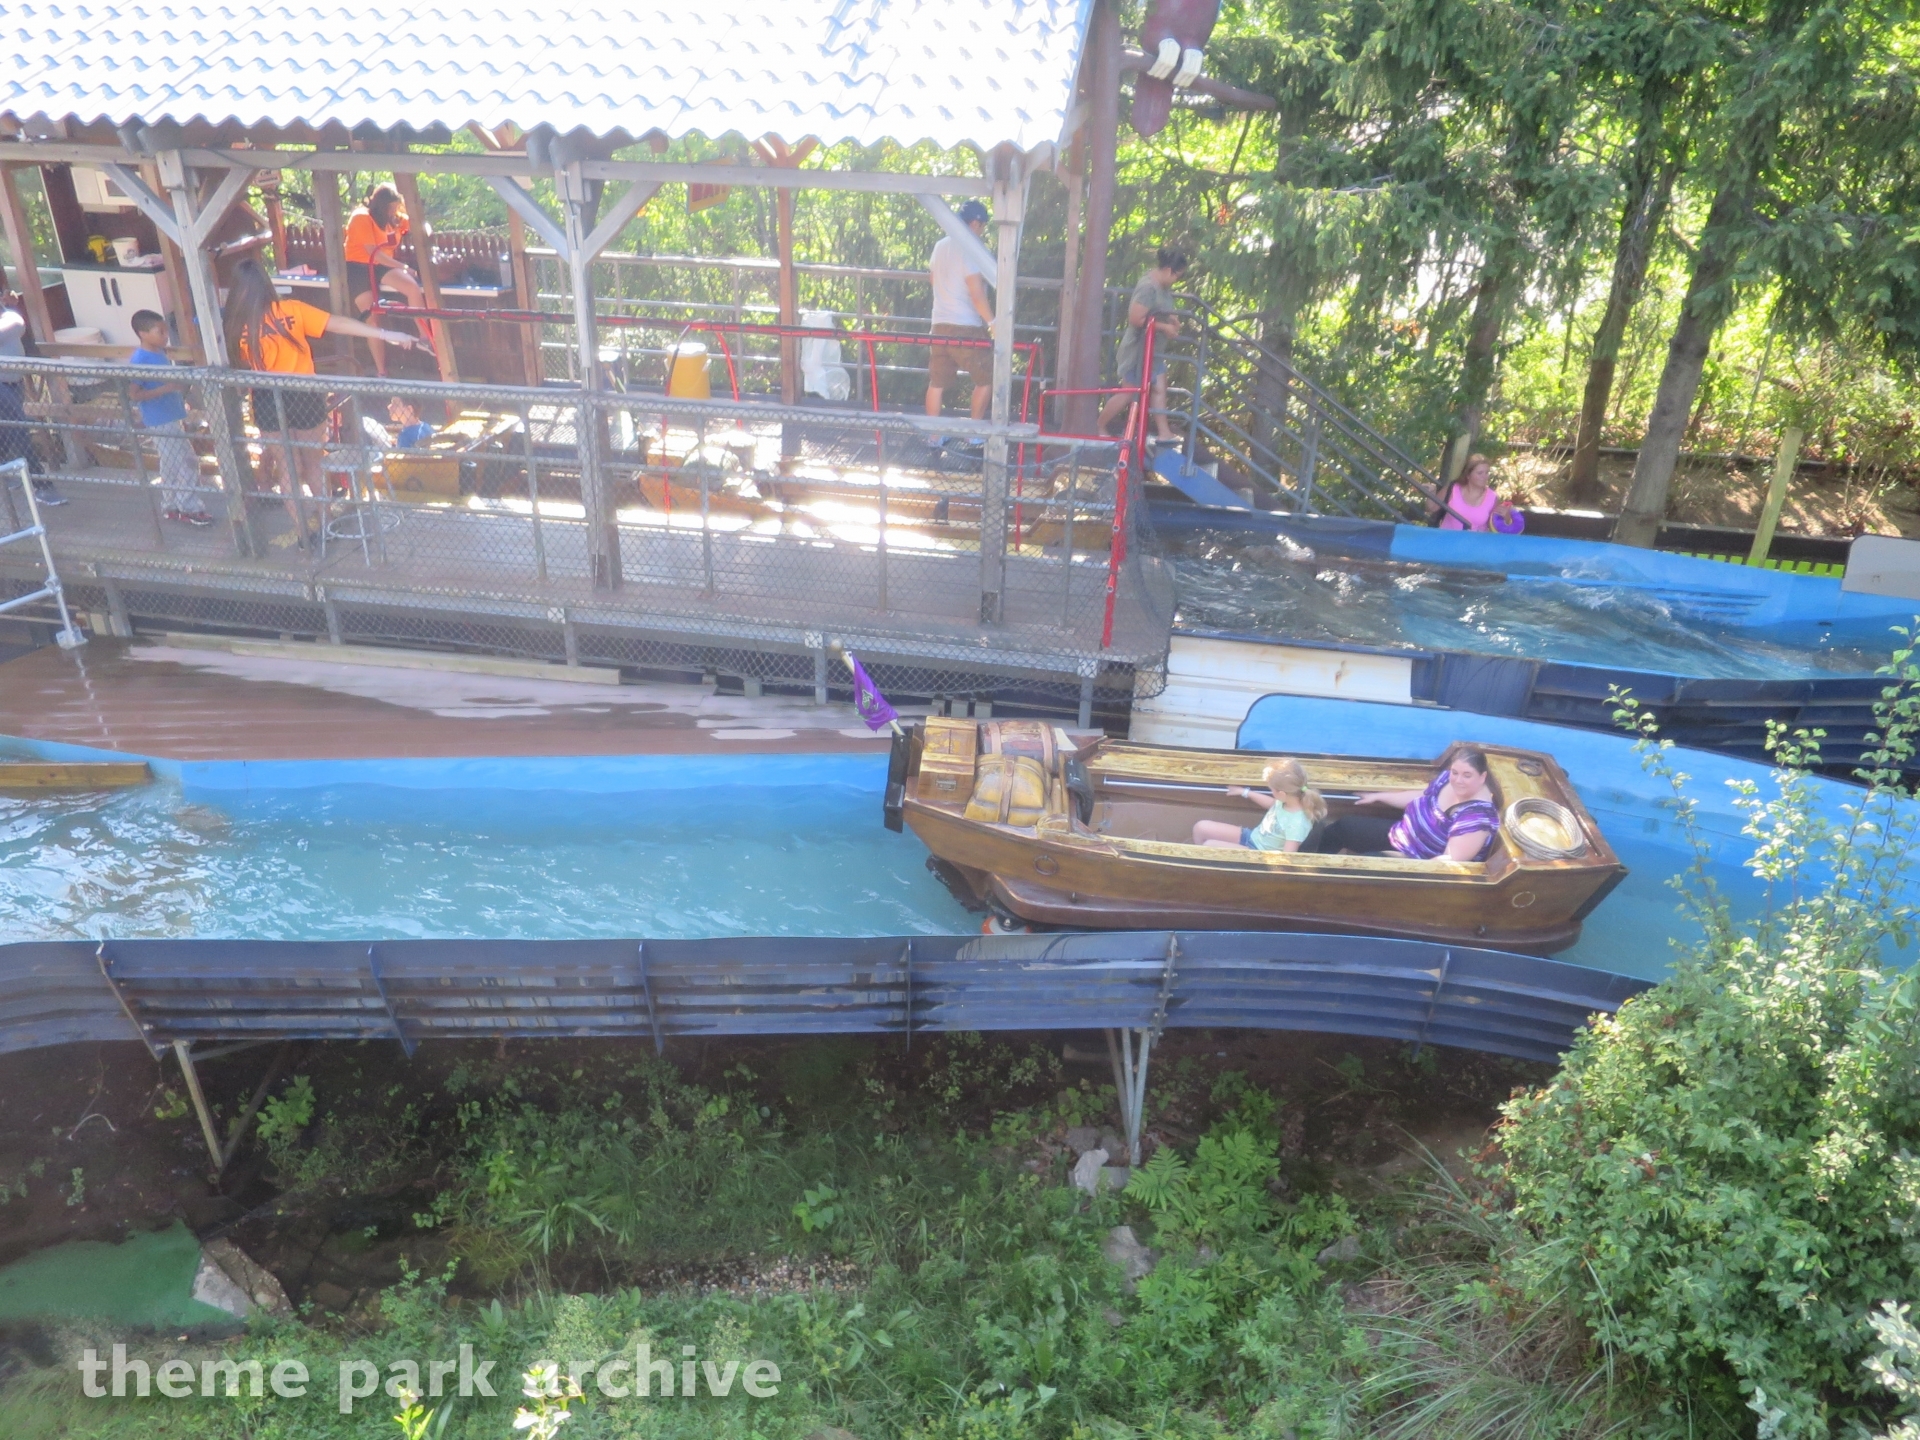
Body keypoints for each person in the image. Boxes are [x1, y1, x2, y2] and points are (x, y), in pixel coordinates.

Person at [223, 259, 420, 538]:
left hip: (266, 397)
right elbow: (337, 323)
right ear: (265, 284)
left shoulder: (235, 326)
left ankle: (303, 535)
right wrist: (385, 333)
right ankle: (327, 524)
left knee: (288, 469)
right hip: (305, 393)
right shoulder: (291, 310)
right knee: (314, 461)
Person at [1318, 746, 1502, 862]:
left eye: (1467, 775)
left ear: (1482, 777)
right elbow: (1422, 796)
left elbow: (1448, 863)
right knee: (1344, 827)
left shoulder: (1477, 818)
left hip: (1417, 859)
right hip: (1402, 834)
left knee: (1361, 866)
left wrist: (1404, 861)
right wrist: (1379, 796)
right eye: (1455, 772)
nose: (1458, 780)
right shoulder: (1448, 779)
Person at [126, 310, 211, 527]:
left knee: (171, 463)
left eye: (166, 331)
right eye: (160, 332)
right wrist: (166, 389)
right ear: (143, 333)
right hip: (160, 419)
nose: (165, 336)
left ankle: (171, 504)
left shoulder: (159, 353)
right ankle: (189, 507)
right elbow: (134, 393)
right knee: (187, 462)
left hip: (171, 415)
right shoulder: (141, 359)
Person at [1100, 247, 1189, 442]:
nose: (1177, 280)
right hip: (1138, 351)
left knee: (1159, 388)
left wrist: (1172, 319)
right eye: (1177, 276)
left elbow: (1160, 308)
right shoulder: (1148, 288)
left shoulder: (1162, 287)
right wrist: (1165, 327)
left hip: (1153, 351)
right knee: (1127, 392)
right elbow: (1136, 318)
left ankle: (1164, 433)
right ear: (1168, 271)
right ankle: (1099, 425)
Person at [924, 200, 995, 440]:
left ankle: (934, 437)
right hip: (966, 326)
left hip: (939, 324)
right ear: (975, 223)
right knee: (987, 377)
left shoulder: (940, 245)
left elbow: (933, 279)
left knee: (936, 383)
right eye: (983, 226)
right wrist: (993, 323)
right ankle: (973, 433)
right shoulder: (971, 249)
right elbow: (976, 293)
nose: (982, 231)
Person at [344, 183, 429, 376]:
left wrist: (426, 230)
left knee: (411, 287)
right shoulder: (361, 217)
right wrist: (403, 267)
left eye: (396, 207)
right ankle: (382, 371)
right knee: (372, 320)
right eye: (391, 207)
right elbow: (373, 252)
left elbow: (418, 223)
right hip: (359, 267)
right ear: (381, 205)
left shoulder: (395, 219)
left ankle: (425, 338)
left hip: (383, 266)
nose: (394, 211)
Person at [0, 284, 63, 506]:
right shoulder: (9, 318)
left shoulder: (8, 315)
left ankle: (4, 470)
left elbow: (16, 325)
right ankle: (41, 485)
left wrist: (8, 304)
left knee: (6, 430)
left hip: (14, 380)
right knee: (19, 426)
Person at [1191, 759, 1327, 852]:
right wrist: (1245, 792)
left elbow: (1287, 858)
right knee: (1200, 827)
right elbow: (1272, 804)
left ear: (1281, 793)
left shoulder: (1297, 823)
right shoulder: (1287, 800)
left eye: (1271, 790)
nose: (1271, 792)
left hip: (1258, 853)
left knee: (1208, 846)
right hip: (1252, 837)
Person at [1429, 453, 1521, 532]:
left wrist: (1506, 517)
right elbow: (1431, 508)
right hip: (1448, 542)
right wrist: (1431, 492)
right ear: (1468, 475)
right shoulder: (1453, 488)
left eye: (1487, 473)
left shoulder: (1492, 497)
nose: (1485, 476)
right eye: (1480, 473)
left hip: (1475, 545)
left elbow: (1495, 527)